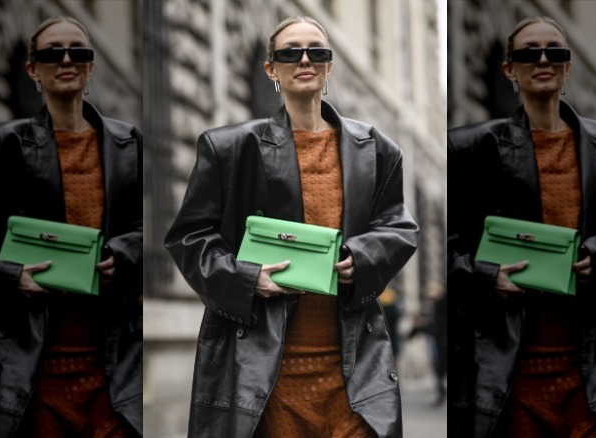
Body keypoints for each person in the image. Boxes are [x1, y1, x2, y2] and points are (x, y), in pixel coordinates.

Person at [165, 16, 418, 438]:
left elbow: (399, 227)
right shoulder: (228, 147)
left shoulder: (377, 149)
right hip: (264, 376)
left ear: (329, 66)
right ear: (271, 69)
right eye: (290, 52)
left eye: (316, 52)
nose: (305, 60)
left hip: (355, 374)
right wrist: (247, 279)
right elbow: (189, 237)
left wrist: (362, 258)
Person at [0, 16, 142, 437]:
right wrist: (9, 277)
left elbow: (157, 230)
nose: (65, 60)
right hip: (25, 373)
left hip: (114, 373)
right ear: (33, 69)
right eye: (51, 53)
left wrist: (125, 254)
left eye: (78, 52)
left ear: (91, 65)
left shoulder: (129, 145)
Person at [447, 16, 596, 438]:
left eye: (555, 52)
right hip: (506, 370)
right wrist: (486, 275)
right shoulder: (469, 149)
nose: (543, 60)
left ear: (568, 66)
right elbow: (444, 245)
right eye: (529, 53)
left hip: (594, 370)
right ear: (510, 68)